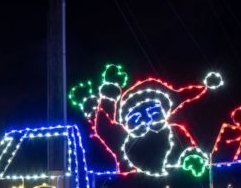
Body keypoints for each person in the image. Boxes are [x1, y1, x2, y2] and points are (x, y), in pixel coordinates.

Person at [69, 64, 223, 177]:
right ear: (126, 123)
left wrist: (191, 159)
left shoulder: (175, 130)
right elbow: (103, 128)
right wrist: (107, 98)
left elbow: (187, 150)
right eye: (136, 117)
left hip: (172, 185)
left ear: (164, 111)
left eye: (153, 112)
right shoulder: (123, 141)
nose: (146, 120)